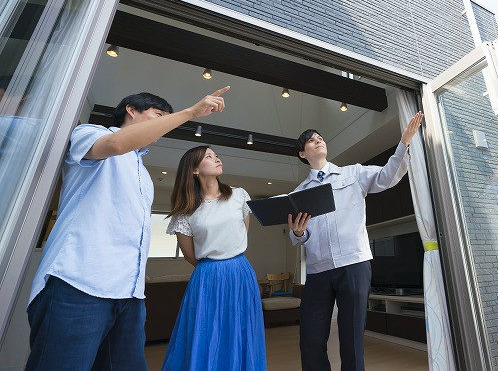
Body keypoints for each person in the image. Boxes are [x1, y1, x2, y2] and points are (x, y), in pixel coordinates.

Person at [26, 87, 229, 371]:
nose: (164, 124)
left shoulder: (143, 174)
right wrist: (191, 112)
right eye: (158, 115)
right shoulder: (90, 133)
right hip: (78, 284)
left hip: (130, 295)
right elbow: (114, 144)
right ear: (131, 110)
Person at [288, 111, 424, 371]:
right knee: (310, 339)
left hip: (353, 264)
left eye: (320, 137)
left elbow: (387, 176)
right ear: (302, 154)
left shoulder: (353, 174)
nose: (318, 140)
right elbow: (302, 235)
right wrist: (297, 233)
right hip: (318, 270)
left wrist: (404, 143)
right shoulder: (299, 193)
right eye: (311, 140)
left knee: (351, 339)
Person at [162, 145, 265, 371]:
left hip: (240, 272)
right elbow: (190, 255)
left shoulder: (239, 195)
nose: (217, 158)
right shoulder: (185, 211)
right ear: (194, 170)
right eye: (209, 157)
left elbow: (241, 234)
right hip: (207, 276)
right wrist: (213, 266)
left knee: (241, 330)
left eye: (216, 155)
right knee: (206, 333)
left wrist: (227, 259)